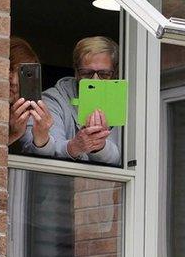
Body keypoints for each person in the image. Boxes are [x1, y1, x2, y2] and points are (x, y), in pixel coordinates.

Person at [31, 36, 122, 166]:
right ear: (76, 73)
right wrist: (74, 147)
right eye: (87, 73)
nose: (95, 80)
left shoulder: (127, 102)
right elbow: (48, 151)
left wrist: (100, 146)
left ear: (115, 74)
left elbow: (128, 160)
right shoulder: (52, 99)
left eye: (104, 74)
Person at [8, 36, 52, 156]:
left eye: (22, 74)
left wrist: (42, 135)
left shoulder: (30, 112)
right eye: (10, 69)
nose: (14, 81)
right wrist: (13, 134)